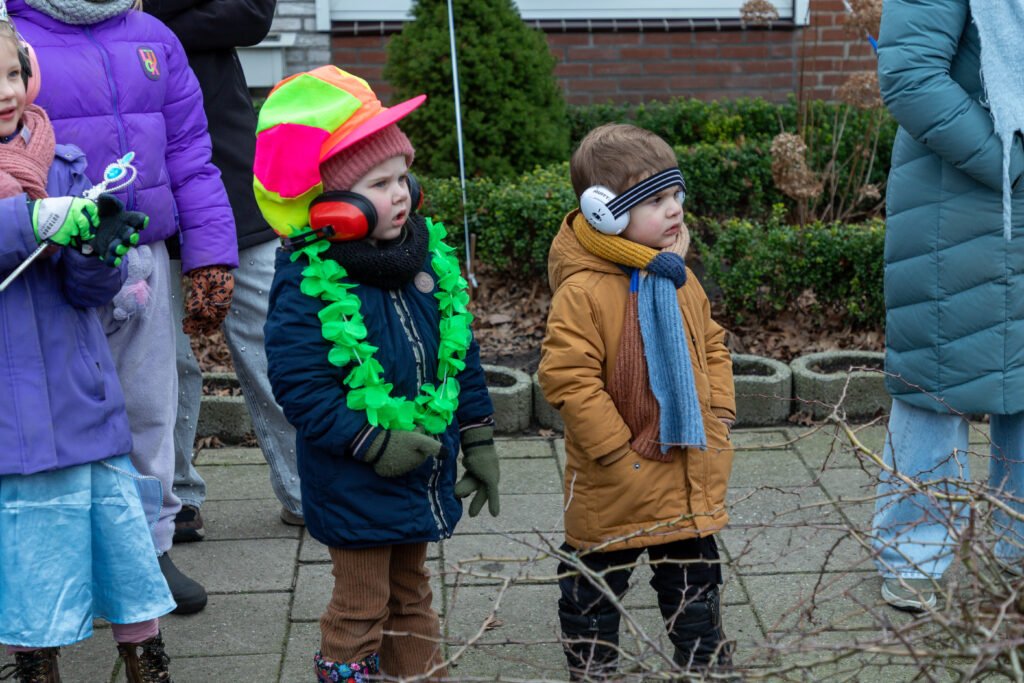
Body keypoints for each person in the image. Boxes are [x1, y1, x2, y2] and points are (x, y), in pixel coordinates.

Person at [257, 66, 499, 681]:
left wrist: (478, 435)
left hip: (421, 470)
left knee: (412, 596)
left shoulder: (425, 260)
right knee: (361, 607)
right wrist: (371, 441)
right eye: (380, 183)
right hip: (355, 480)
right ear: (335, 206)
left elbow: (459, 355)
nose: (400, 195)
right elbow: (301, 389)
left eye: (402, 179)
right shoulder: (308, 282)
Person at [8, 0, 240, 616]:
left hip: (141, 256)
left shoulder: (153, 37)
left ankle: (148, 548)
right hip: (45, 262)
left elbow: (190, 151)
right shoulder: (13, 34)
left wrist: (210, 253)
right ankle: (59, 557)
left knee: (147, 406)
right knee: (57, 412)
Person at [0, 16, 177, 683]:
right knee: (28, 548)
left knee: (118, 537)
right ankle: (34, 662)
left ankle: (144, 654)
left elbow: (86, 292)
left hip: (79, 388)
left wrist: (99, 253)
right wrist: (36, 219)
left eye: (13, 73)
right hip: (9, 410)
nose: (6, 91)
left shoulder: (64, 163)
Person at [538, 123, 735, 678]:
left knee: (696, 585)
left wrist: (719, 412)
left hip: (687, 462)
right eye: (655, 200)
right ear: (604, 212)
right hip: (617, 475)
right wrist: (613, 449)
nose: (674, 210)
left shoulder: (675, 275)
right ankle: (594, 668)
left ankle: (705, 665)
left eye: (676, 195)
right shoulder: (584, 290)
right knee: (594, 588)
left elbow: (712, 344)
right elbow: (568, 377)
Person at [872, 0, 1024, 612]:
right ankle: (914, 553)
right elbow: (910, 75)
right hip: (954, 201)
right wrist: (1011, 165)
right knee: (935, 379)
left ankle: (1018, 543)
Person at [142, 0, 304, 542]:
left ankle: (308, 489)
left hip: (227, 162)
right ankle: (175, 497)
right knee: (161, 359)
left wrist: (146, 17)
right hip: (142, 170)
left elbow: (251, 14)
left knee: (273, 343)